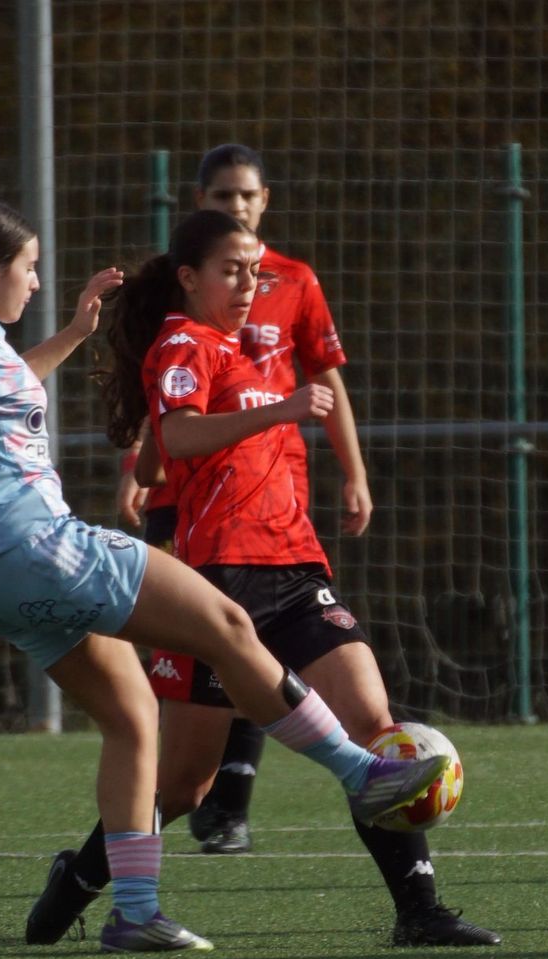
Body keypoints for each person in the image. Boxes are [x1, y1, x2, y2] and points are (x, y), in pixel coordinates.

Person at [0, 200, 448, 955]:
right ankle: (361, 773)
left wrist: (75, 336)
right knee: (229, 628)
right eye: (28, 269)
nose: (35, 282)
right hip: (37, 546)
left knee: (131, 720)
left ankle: (133, 909)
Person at [32, 207, 500, 948]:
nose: (250, 282)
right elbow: (182, 430)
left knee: (375, 731)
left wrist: (157, 462)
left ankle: (420, 910)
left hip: (295, 570)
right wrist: (268, 412)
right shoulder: (184, 339)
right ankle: (81, 881)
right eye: (231, 269)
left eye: (256, 270)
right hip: (217, 584)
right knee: (187, 785)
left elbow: (168, 447)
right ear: (189, 278)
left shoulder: (244, 349)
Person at [114, 144, 371, 857]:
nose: (235, 207)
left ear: (266, 202)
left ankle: (418, 904)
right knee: (186, 767)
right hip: (205, 518)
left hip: (281, 524)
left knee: (367, 719)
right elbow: (175, 407)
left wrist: (353, 468)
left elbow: (322, 382)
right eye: (222, 196)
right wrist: (142, 461)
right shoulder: (190, 311)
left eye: (246, 196)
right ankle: (94, 868)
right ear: (200, 204)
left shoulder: (291, 283)